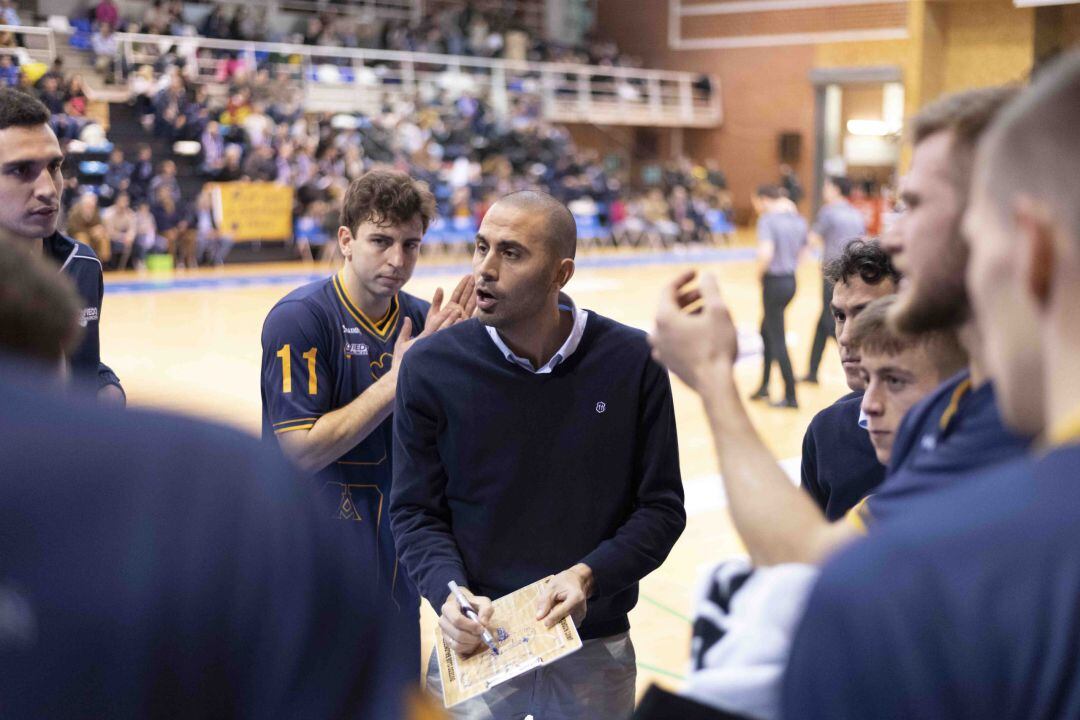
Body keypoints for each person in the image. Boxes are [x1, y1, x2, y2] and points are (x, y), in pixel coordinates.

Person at [782, 51, 1080, 720]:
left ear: (1030, 247)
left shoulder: (899, 587)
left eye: (914, 204)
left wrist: (712, 382)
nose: (893, 239)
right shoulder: (924, 424)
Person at [390, 190, 686, 719]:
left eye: (511, 252)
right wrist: (449, 593)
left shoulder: (634, 362)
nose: (484, 269)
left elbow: (661, 508)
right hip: (476, 642)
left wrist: (588, 576)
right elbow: (414, 511)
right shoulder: (431, 368)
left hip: (593, 644)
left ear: (561, 273)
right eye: (480, 247)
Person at [261, 170, 474, 688]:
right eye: (381, 241)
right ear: (346, 240)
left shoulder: (428, 323)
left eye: (411, 245)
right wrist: (400, 379)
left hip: (399, 564)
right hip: (316, 562)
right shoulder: (300, 319)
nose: (397, 260)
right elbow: (298, 453)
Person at [0, 88, 123, 403]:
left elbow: (83, 364)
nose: (47, 189)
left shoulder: (83, 264)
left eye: (53, 167)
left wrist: (107, 388)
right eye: (21, 170)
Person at [800, 239, 899, 520]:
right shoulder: (826, 431)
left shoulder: (964, 426)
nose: (845, 337)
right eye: (840, 316)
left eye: (866, 314)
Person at [802, 176, 866, 384]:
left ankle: (861, 363)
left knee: (829, 321)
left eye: (827, 186)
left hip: (832, 276)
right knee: (823, 322)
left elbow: (812, 239)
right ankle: (812, 372)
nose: (824, 190)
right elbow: (863, 242)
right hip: (852, 275)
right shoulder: (856, 213)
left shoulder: (828, 212)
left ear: (836, 189)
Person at [750, 184, 806, 409]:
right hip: (791, 280)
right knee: (765, 331)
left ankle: (791, 394)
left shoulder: (768, 220)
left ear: (764, 199)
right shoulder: (798, 220)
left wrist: (758, 275)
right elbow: (805, 251)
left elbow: (766, 253)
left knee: (777, 338)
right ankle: (764, 386)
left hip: (773, 282)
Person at [65, 191, 110, 264]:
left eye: (92, 206)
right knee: (82, 237)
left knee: (103, 237)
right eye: (88, 206)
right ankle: (85, 260)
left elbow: (100, 224)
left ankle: (103, 261)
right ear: (83, 204)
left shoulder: (95, 212)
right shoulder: (75, 212)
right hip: (76, 236)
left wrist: (100, 229)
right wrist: (91, 231)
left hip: (93, 237)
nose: (90, 208)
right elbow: (72, 229)